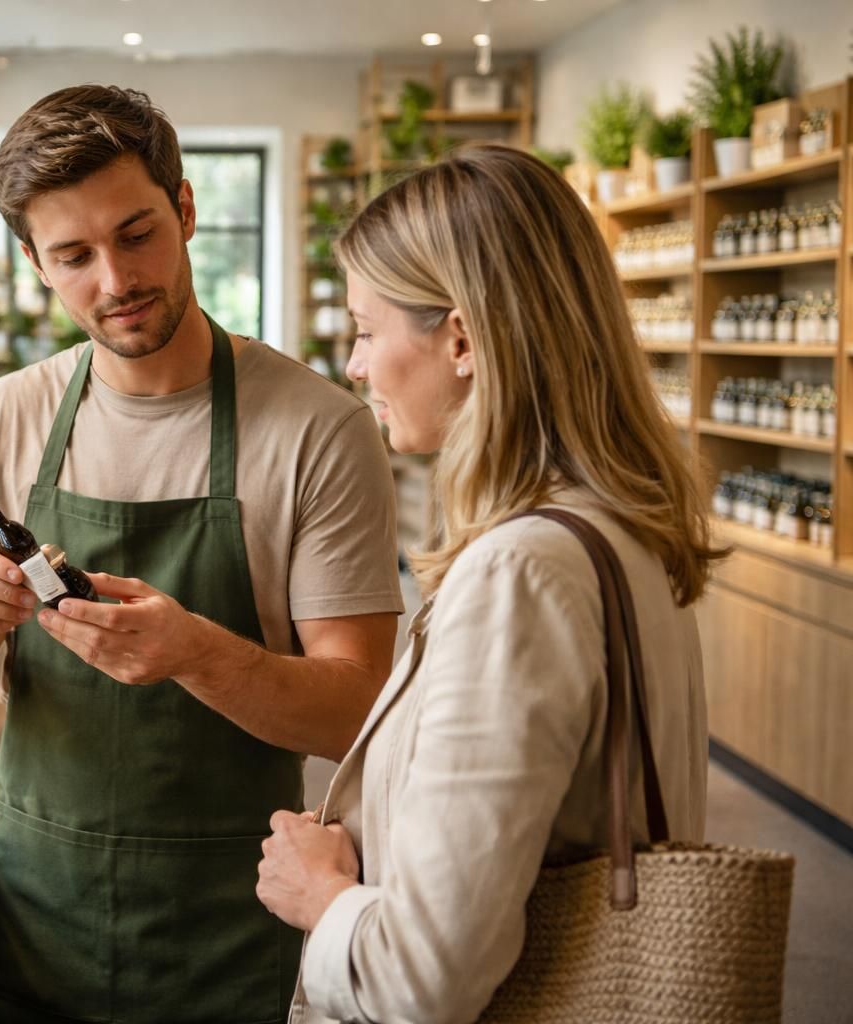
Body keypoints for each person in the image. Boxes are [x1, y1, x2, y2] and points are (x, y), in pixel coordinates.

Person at [0, 85, 405, 1023]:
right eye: (73, 256)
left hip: (228, 923)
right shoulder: (4, 419)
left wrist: (194, 653)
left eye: (136, 235)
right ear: (35, 264)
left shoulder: (318, 429)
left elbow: (358, 713)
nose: (114, 280)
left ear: (184, 208)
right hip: (32, 911)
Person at [255, 144, 721, 1023]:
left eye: (364, 329)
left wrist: (320, 896)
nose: (355, 366)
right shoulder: (613, 529)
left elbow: (422, 980)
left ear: (461, 338)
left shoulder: (519, 571)